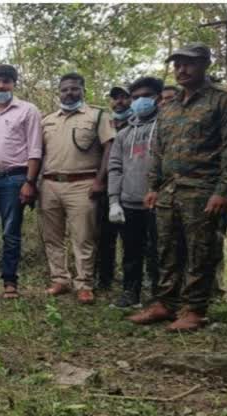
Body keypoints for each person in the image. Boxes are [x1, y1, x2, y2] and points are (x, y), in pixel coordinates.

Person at [129, 43, 227, 331]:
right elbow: (158, 150)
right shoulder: (169, 107)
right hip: (169, 190)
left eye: (189, 63)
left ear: (205, 64)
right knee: (166, 249)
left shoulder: (225, 99)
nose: (182, 69)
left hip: (204, 188)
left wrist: (223, 189)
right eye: (178, 64)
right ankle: (164, 303)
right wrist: (153, 186)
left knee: (201, 249)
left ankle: (195, 309)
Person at [38, 72, 115, 304]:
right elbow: (39, 153)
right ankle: (60, 279)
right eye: (64, 90)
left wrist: (100, 181)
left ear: (83, 90)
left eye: (74, 89)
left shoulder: (98, 116)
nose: (69, 93)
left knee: (83, 237)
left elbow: (109, 149)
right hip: (50, 184)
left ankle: (84, 284)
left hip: (83, 183)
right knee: (52, 237)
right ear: (58, 92)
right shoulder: (48, 120)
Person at [0, 64, 42, 299]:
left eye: (6, 81)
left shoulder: (28, 110)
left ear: (14, 84)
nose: (1, 86)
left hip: (14, 179)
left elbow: (34, 148)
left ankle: (10, 281)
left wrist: (30, 182)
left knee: (11, 232)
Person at [107, 76, 164, 307]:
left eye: (146, 96)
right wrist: (113, 200)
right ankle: (131, 294)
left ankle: (159, 297)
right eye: (136, 97)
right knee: (131, 251)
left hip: (159, 201)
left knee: (158, 251)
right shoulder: (123, 134)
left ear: (158, 98)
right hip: (129, 202)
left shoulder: (166, 127)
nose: (141, 101)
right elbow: (115, 166)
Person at [95, 85, 132, 290]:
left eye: (124, 97)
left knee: (131, 238)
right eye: (115, 98)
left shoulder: (138, 123)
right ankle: (104, 279)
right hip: (106, 188)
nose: (119, 101)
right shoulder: (104, 122)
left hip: (131, 188)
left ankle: (131, 281)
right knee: (104, 236)